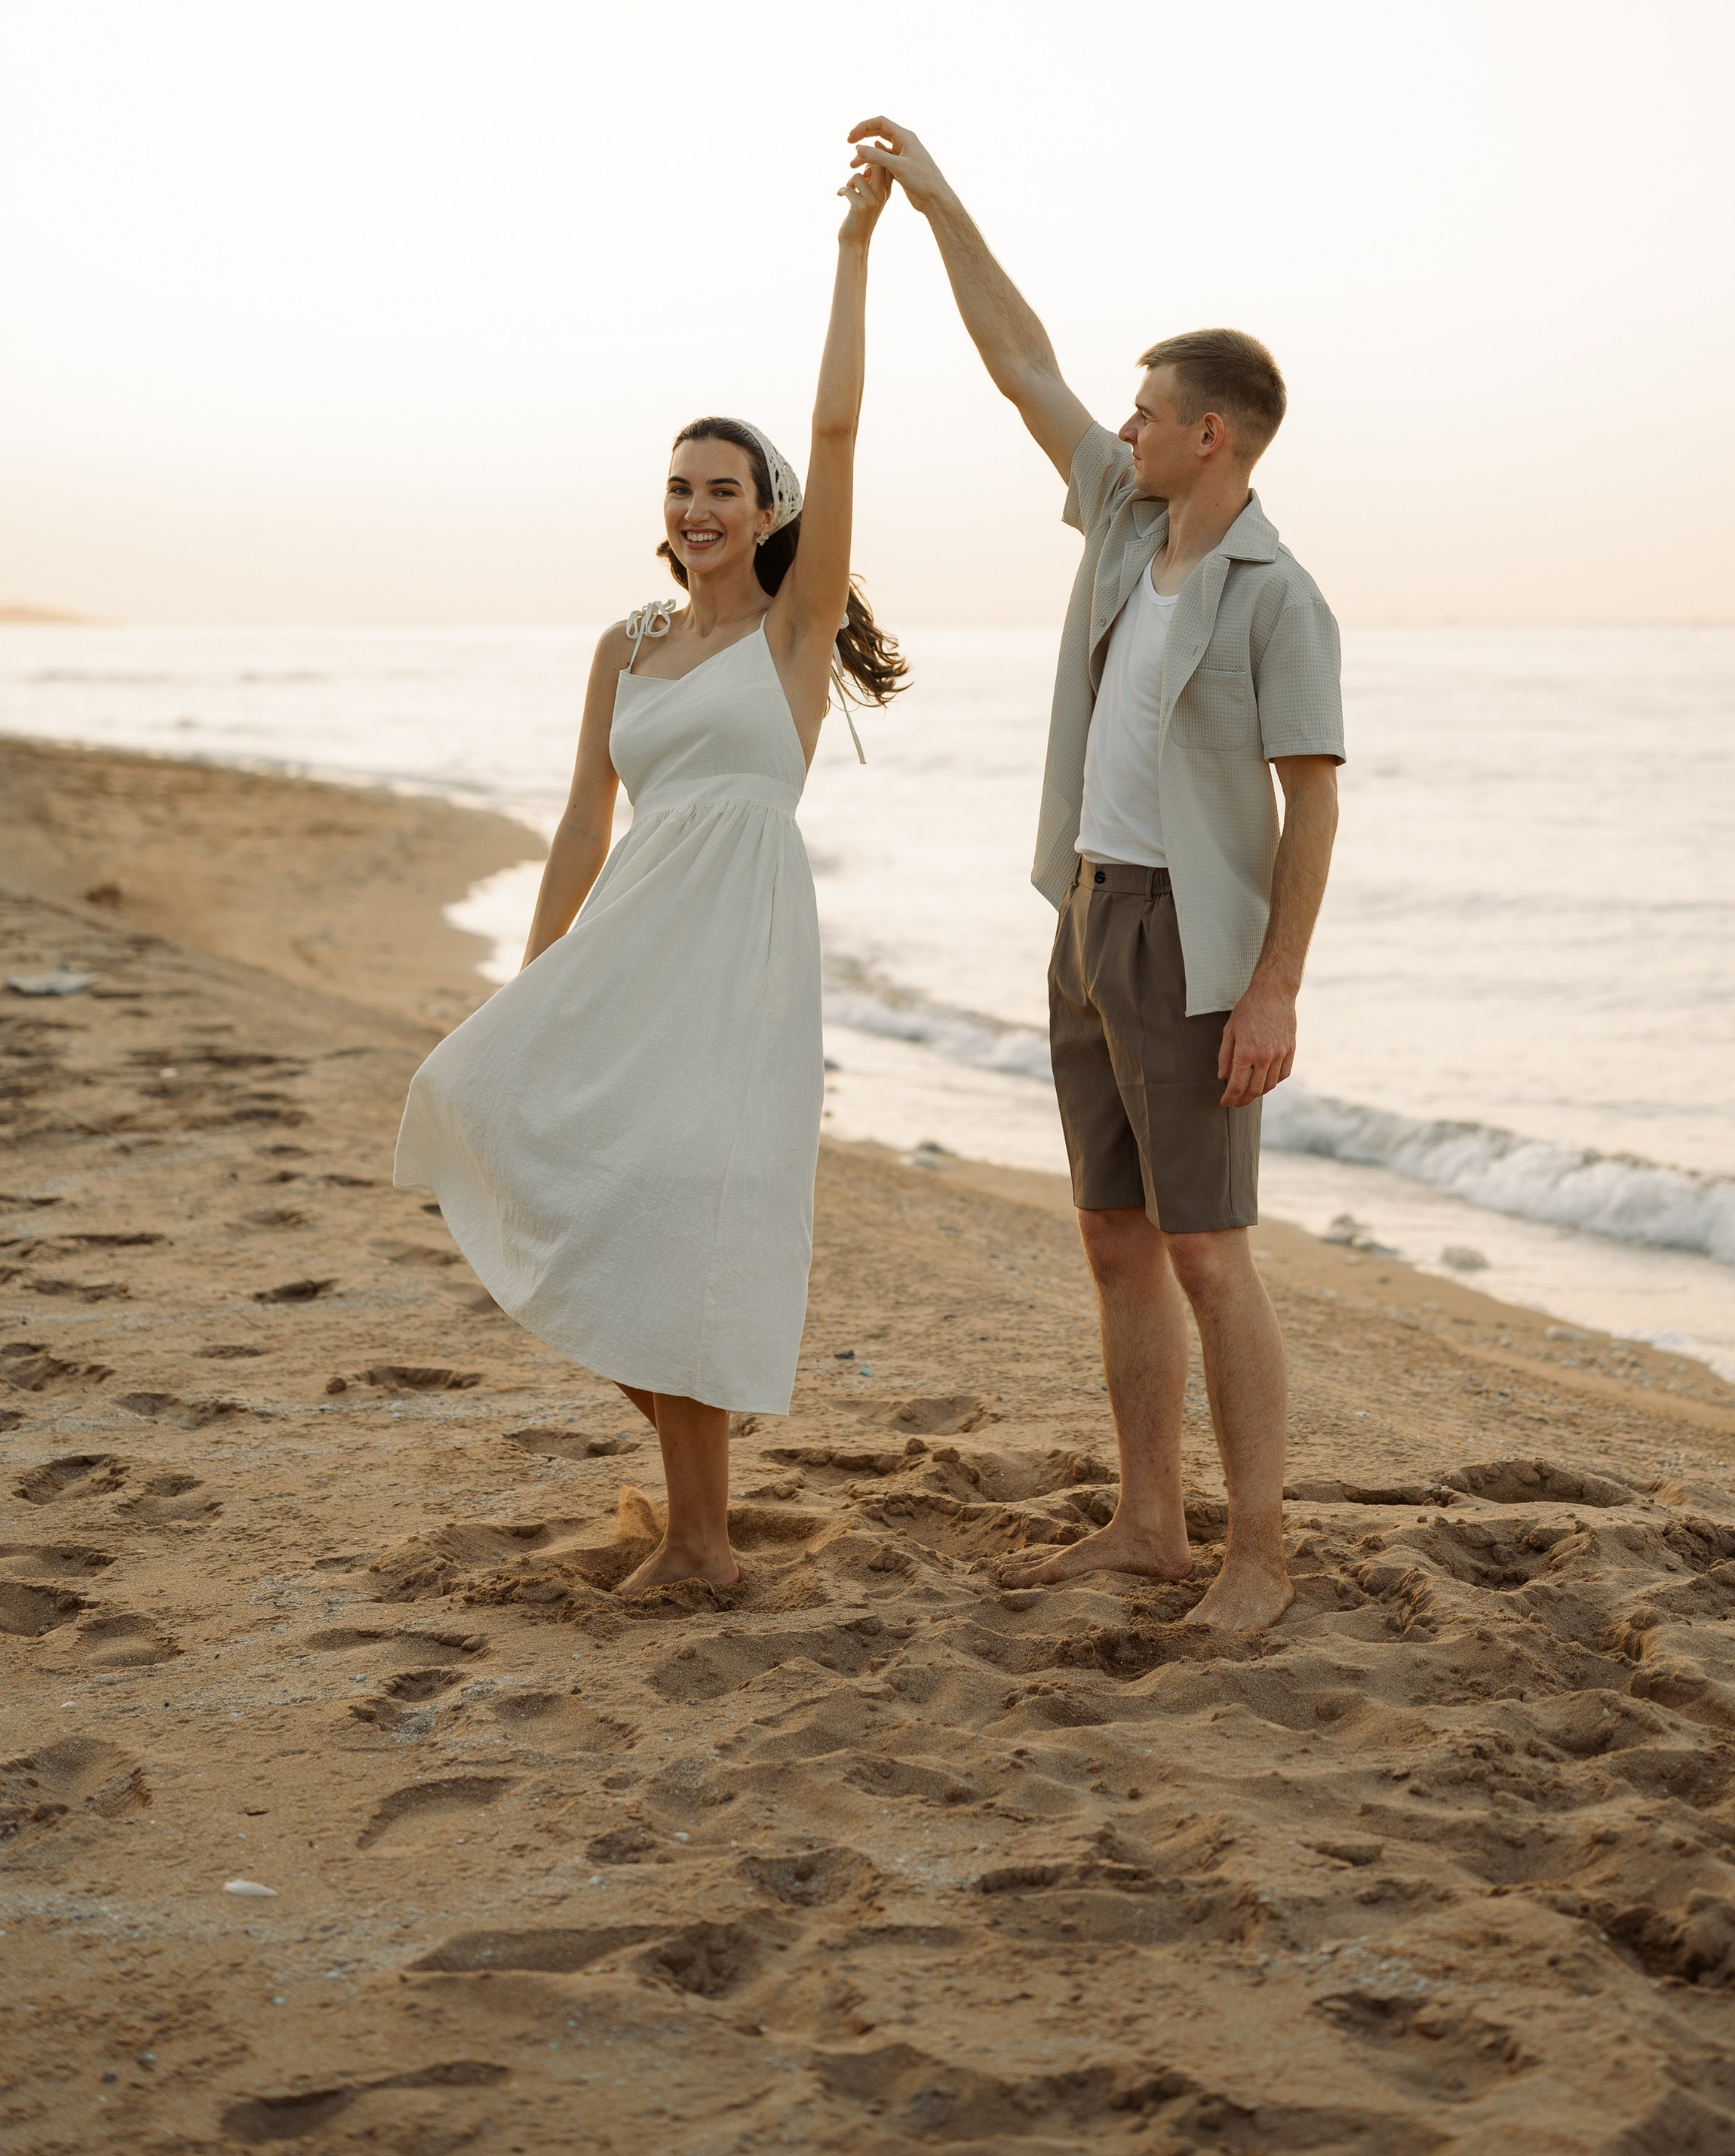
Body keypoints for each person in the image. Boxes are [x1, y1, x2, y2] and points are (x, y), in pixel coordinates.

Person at [846, 116, 1342, 1633]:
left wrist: (1274, 988)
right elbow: (1021, 363)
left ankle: (1254, 1550)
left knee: (1208, 1248)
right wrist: (935, 202)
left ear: (1215, 434)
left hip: (1197, 942)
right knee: (1112, 1233)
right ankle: (1148, 1522)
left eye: (1146, 416)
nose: (1120, 429)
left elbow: (1309, 804)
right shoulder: (1124, 522)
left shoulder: (1278, 596)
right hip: (1088, 910)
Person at [393, 157, 906, 1592]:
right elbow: (578, 819)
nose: (696, 508)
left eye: (723, 491)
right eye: (679, 488)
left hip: (738, 950)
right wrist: (534, 973)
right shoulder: (626, 645)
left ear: (764, 511)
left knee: (688, 1209)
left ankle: (701, 1540)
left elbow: (841, 421)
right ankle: (701, 1528)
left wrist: (857, 248)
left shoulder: (794, 632)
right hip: (627, 941)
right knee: (500, 1114)